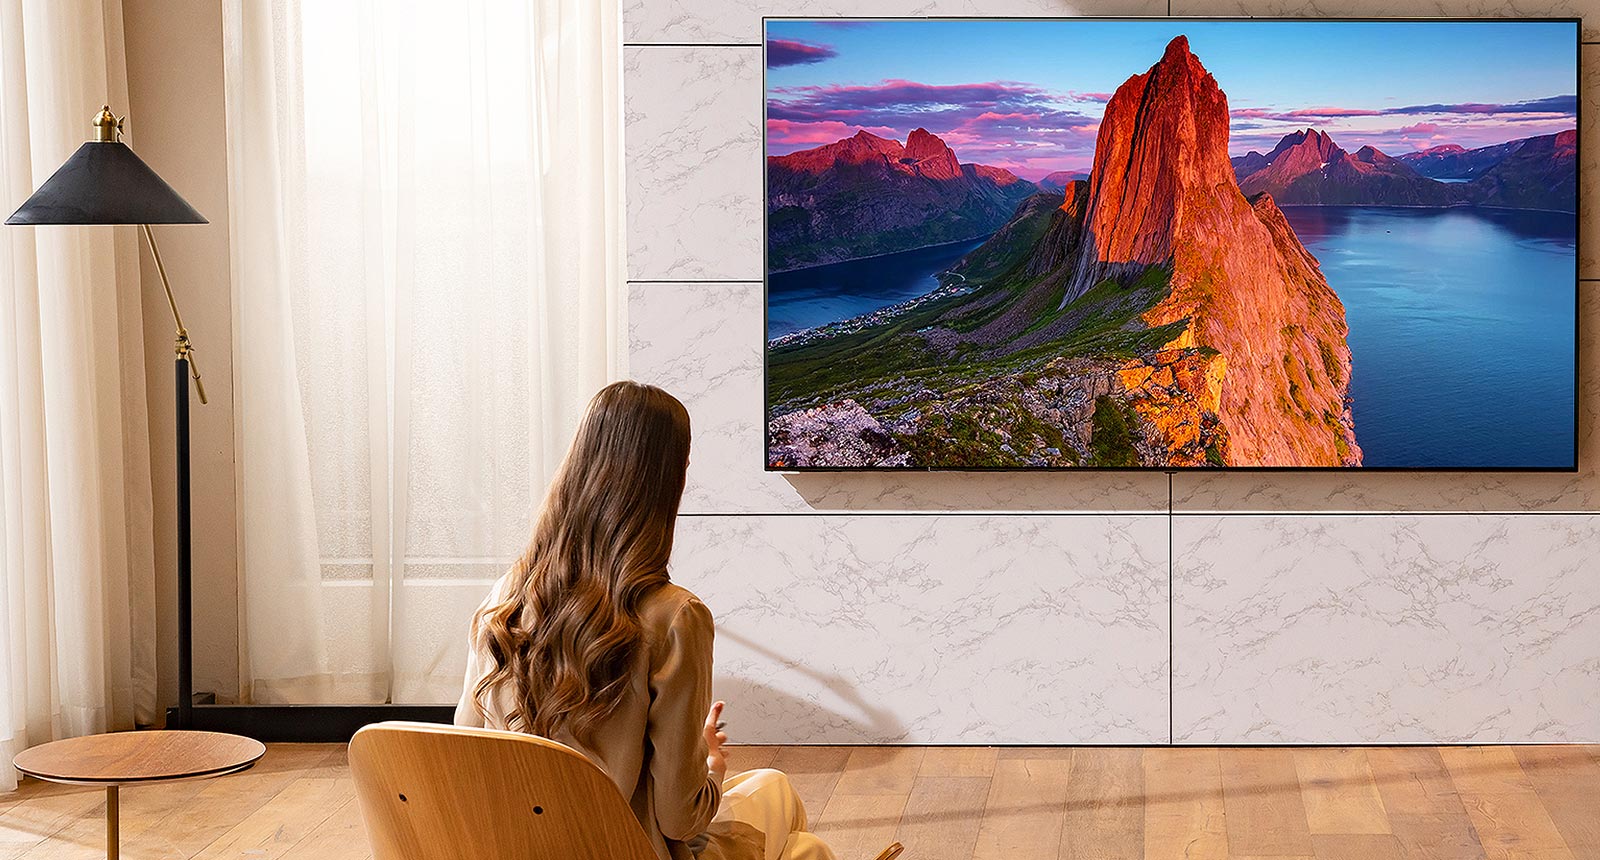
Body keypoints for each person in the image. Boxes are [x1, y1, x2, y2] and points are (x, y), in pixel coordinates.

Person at [455, 381, 901, 860]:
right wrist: (711, 763)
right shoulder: (673, 616)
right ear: (666, 483)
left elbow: (465, 742)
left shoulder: (504, 597)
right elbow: (678, 818)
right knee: (803, 845)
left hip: (515, 845)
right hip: (627, 849)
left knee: (773, 785)